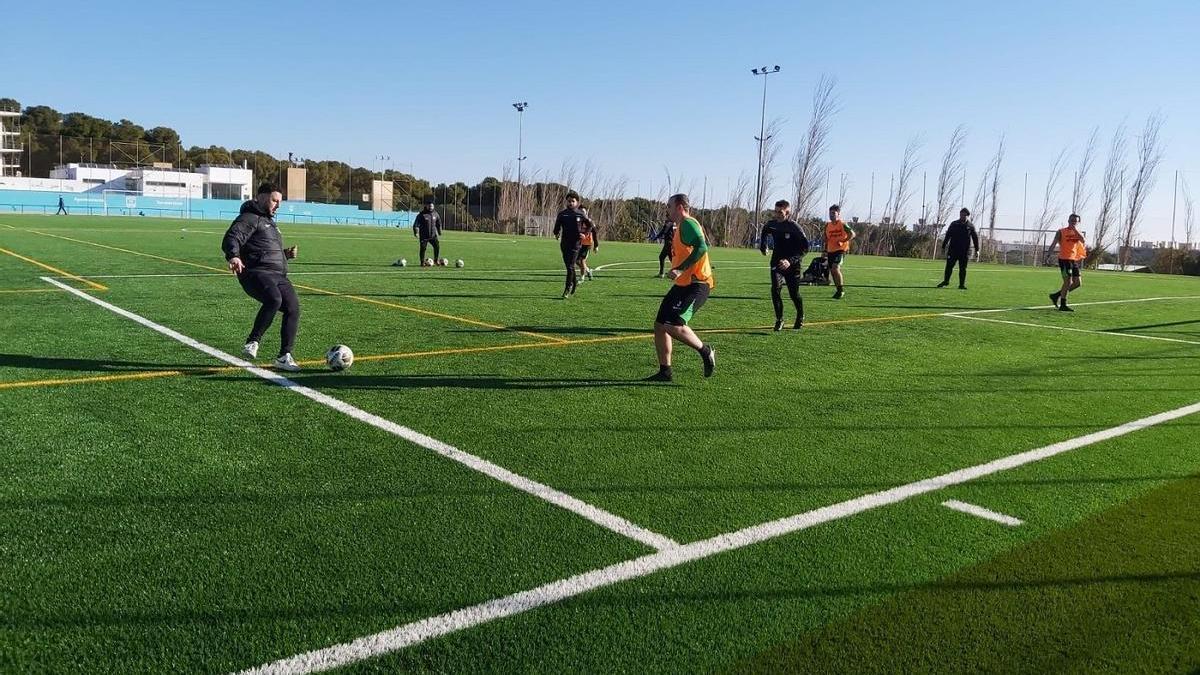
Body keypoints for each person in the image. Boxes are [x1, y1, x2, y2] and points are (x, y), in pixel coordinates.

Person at [222, 182, 301, 371]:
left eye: (280, 201)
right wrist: (233, 255)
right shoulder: (249, 217)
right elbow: (232, 237)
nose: (278, 205)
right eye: (274, 200)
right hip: (256, 272)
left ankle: (284, 356)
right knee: (274, 299)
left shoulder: (271, 223)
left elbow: (264, 249)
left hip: (278, 274)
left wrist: (284, 255)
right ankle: (252, 341)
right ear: (261, 197)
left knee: (293, 308)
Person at [645, 193, 716, 382]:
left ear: (679, 207)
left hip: (697, 283)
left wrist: (679, 269)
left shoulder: (688, 223)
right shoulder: (679, 227)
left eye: (669, 206)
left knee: (674, 325)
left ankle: (706, 351)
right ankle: (665, 371)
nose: (666, 210)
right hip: (682, 284)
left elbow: (702, 247)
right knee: (660, 325)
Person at [759, 199, 810, 330]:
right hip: (776, 262)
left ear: (787, 213)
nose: (777, 215)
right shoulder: (772, 224)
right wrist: (763, 246)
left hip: (793, 265)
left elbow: (805, 248)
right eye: (775, 212)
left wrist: (790, 261)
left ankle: (800, 315)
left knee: (794, 294)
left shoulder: (794, 227)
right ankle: (779, 319)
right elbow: (765, 230)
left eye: (780, 212)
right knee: (775, 289)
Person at [552, 192, 593, 297]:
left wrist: (585, 234)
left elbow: (590, 225)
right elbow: (557, 227)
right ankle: (574, 283)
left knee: (570, 266)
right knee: (569, 266)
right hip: (565, 243)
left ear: (577, 202)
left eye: (573, 201)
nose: (570, 203)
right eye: (569, 201)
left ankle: (567, 288)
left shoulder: (580, 214)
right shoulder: (562, 214)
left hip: (576, 244)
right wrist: (556, 233)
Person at [1048, 213, 1087, 312]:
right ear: (1068, 220)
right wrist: (1048, 254)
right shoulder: (1061, 231)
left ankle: (1056, 295)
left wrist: (1075, 230)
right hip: (1064, 259)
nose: (1073, 222)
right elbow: (1054, 243)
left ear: (1078, 222)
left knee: (1077, 283)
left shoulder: (1078, 233)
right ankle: (1063, 305)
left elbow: (1083, 240)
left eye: (1075, 221)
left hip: (1073, 260)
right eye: (1071, 220)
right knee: (1068, 282)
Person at [937, 208, 980, 289]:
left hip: (964, 251)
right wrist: (943, 247)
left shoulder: (970, 226)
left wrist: (977, 250)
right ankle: (946, 281)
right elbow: (948, 235)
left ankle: (961, 285)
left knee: (963, 268)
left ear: (967, 216)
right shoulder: (954, 224)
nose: (962, 216)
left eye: (964, 215)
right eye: (961, 215)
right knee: (949, 266)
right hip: (953, 250)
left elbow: (975, 238)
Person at [824, 204, 855, 299]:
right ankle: (838, 291)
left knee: (835, 267)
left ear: (838, 214)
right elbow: (826, 239)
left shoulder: (842, 224)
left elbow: (852, 234)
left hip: (841, 250)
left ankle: (841, 290)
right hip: (830, 250)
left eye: (833, 213)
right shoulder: (827, 225)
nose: (831, 215)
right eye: (830, 213)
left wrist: (843, 241)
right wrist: (824, 250)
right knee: (833, 271)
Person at [413, 199, 442, 265]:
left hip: (433, 235)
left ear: (433, 206)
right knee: (423, 248)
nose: (431, 207)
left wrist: (439, 231)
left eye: (432, 206)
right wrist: (416, 232)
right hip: (424, 236)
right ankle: (422, 262)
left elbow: (439, 223)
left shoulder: (436, 214)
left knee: (437, 246)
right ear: (426, 206)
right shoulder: (421, 215)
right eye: (429, 206)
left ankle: (436, 260)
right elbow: (416, 224)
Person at [576, 213, 599, 282]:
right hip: (579, 244)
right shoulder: (578, 221)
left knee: (582, 260)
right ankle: (588, 270)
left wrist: (596, 245)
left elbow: (595, 234)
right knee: (577, 261)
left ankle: (582, 277)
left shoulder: (590, 222)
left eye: (584, 212)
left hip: (587, 245)